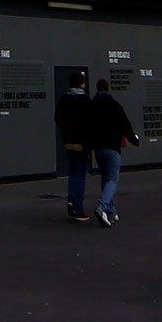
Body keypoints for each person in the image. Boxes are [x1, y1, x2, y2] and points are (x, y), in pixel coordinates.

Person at [88, 77, 140, 225]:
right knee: (112, 179)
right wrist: (135, 140)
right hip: (112, 147)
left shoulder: (92, 105)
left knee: (105, 179)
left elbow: (88, 127)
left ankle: (111, 211)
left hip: (98, 148)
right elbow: (125, 125)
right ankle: (102, 206)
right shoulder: (115, 105)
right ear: (108, 88)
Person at [56, 70, 94, 220]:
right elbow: (91, 125)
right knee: (81, 175)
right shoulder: (86, 101)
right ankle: (79, 208)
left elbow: (57, 119)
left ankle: (71, 199)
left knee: (72, 173)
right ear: (82, 84)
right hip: (82, 144)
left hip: (68, 143)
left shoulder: (63, 99)